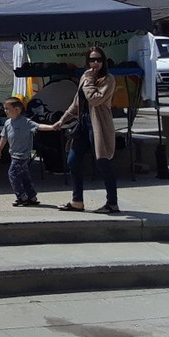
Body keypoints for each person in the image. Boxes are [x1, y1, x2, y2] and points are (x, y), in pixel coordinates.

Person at [55, 47, 120, 213]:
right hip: (83, 123)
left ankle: (112, 203)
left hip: (98, 125)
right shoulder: (85, 76)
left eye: (98, 59)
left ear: (103, 61)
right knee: (73, 160)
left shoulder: (108, 79)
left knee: (102, 161)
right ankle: (77, 201)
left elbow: (95, 99)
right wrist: (63, 120)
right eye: (92, 60)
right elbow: (77, 102)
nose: (95, 63)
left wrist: (90, 81)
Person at [0, 96, 61, 207]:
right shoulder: (7, 123)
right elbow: (4, 137)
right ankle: (32, 196)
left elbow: (39, 126)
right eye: (4, 109)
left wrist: (52, 127)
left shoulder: (26, 122)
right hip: (13, 153)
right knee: (24, 175)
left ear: (17, 110)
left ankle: (22, 196)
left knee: (13, 174)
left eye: (7, 109)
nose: (5, 111)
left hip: (22, 155)